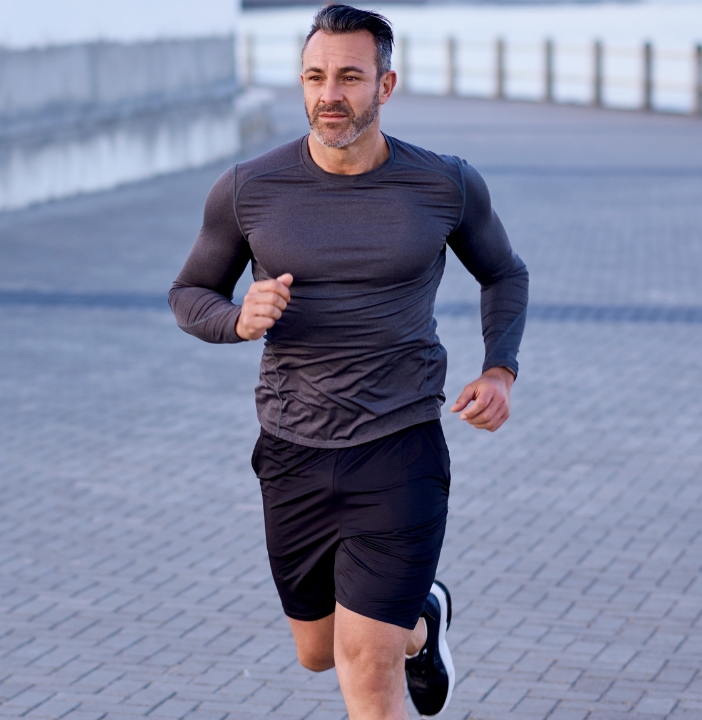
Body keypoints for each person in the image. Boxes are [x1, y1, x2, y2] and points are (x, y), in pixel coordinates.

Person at [168, 5, 528, 718]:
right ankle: (421, 624)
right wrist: (237, 319)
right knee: (318, 651)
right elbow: (189, 293)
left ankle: (398, 637)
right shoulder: (249, 189)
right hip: (292, 451)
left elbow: (505, 273)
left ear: (386, 86)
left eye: (350, 77)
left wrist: (499, 370)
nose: (329, 93)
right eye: (315, 76)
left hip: (400, 448)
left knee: (365, 669)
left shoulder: (445, 184)